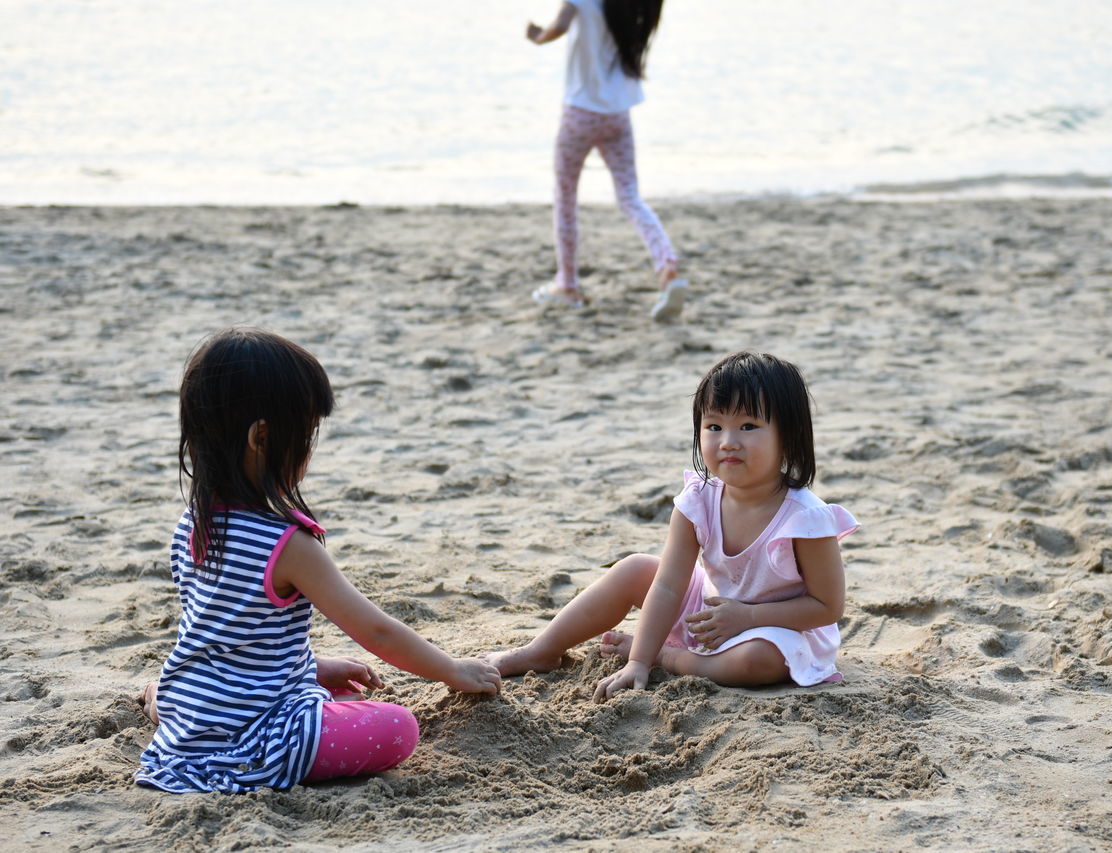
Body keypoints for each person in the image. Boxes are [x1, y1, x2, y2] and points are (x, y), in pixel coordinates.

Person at [135, 327, 501, 793]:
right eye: (305, 435)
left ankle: (162, 700)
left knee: (344, 688)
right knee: (397, 728)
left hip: (197, 702)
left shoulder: (194, 521)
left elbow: (230, 633)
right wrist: (453, 669)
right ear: (261, 438)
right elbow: (377, 631)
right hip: (251, 732)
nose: (308, 451)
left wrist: (309, 666)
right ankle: (199, 726)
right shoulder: (288, 545)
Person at [487, 351, 858, 699]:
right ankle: (542, 650)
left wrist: (746, 617)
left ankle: (672, 658)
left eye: (748, 426)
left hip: (778, 629)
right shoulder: (699, 498)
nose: (728, 442)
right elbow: (667, 586)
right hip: (708, 612)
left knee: (755, 662)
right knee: (635, 569)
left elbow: (827, 606)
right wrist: (636, 664)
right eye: (714, 426)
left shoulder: (805, 518)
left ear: (788, 437)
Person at [526, 0, 689, 321]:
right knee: (630, 197)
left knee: (566, 197)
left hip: (579, 114)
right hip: (617, 115)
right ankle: (667, 265)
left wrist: (537, 36)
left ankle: (567, 284)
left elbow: (558, 26)